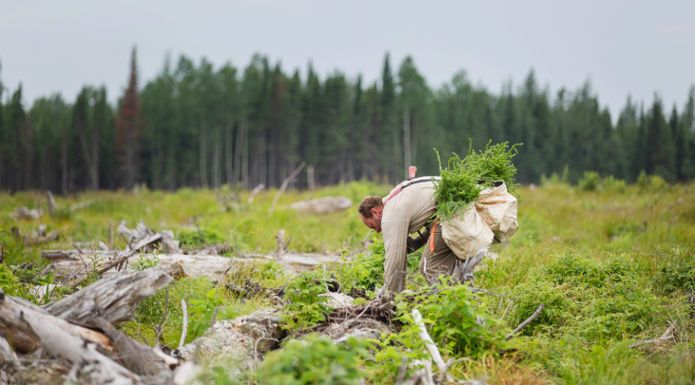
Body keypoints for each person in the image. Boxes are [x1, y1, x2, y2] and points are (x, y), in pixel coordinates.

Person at [358, 176, 458, 294]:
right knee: (445, 270)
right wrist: (414, 244)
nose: (377, 231)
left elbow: (394, 260)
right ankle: (456, 296)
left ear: (375, 212)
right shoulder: (394, 199)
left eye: (372, 226)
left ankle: (450, 300)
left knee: (429, 268)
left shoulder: (390, 216)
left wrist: (392, 296)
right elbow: (430, 221)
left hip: (452, 214)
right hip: (455, 207)